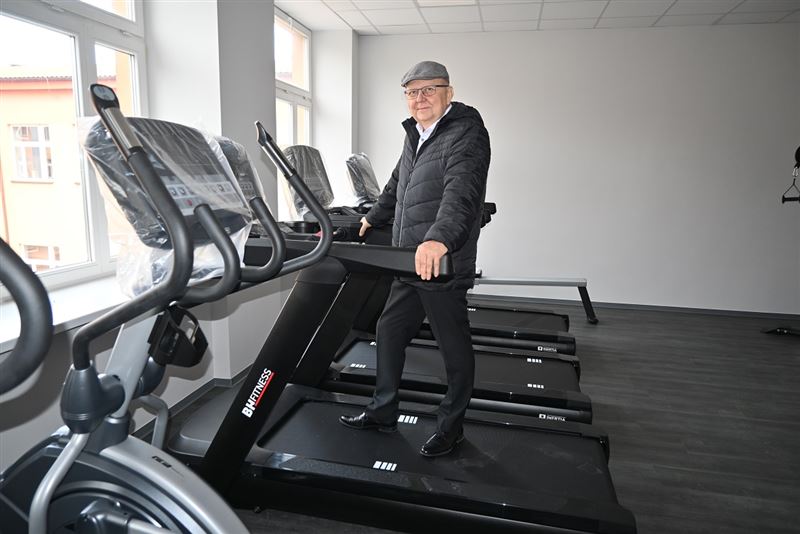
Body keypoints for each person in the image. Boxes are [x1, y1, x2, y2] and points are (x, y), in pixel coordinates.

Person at [339, 60, 491, 457]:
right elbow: (397, 184)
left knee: (452, 347)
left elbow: (462, 192)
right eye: (412, 92)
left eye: (429, 90)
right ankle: (382, 411)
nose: (419, 98)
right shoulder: (417, 134)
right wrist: (371, 218)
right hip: (408, 260)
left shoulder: (466, 133)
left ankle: (451, 427)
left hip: (439, 263)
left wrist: (439, 239)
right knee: (389, 331)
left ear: (448, 92)